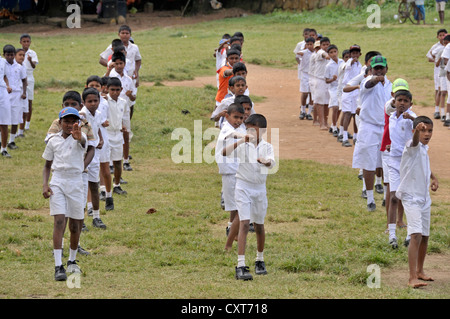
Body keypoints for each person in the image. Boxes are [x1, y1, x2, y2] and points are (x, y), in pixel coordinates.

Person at [222, 114, 276, 281]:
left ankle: (259, 260)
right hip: (243, 186)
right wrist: (241, 141)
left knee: (259, 225)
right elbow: (225, 152)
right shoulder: (244, 145)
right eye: (248, 129)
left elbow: (271, 163)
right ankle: (241, 265)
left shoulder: (267, 147)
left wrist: (265, 162)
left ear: (263, 130)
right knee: (244, 222)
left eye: (254, 129)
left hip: (259, 189)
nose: (250, 132)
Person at [42, 107, 87, 281]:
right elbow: (47, 165)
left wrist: (79, 137)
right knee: (59, 220)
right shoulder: (53, 140)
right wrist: (45, 185)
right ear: (59, 123)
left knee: (75, 225)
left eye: (73, 121)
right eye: (66, 121)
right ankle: (58, 265)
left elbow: (83, 143)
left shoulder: (80, 137)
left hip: (76, 181)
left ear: (78, 123)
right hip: (58, 181)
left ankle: (72, 260)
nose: (70, 125)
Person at [395, 116, 438, 288]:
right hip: (411, 197)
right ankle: (412, 277)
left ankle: (420, 271)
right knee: (416, 235)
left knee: (425, 236)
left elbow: (423, 164)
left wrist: (433, 177)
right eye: (423, 131)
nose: (427, 134)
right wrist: (416, 132)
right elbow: (414, 143)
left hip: (424, 198)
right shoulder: (411, 146)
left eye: (430, 131)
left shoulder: (424, 149)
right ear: (415, 132)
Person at [352, 56, 392, 212]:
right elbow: (369, 84)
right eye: (376, 68)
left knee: (387, 162)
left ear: (387, 68)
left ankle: (385, 197)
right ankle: (369, 198)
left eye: (382, 68)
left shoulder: (391, 86)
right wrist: (375, 79)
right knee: (368, 163)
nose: (379, 70)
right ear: (371, 69)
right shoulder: (366, 82)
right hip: (368, 127)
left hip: (386, 127)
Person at [215, 103, 246, 252]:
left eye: (241, 118)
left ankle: (233, 233)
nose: (238, 120)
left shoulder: (238, 128)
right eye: (235, 117)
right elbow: (232, 136)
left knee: (237, 206)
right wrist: (245, 137)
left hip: (237, 171)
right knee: (238, 207)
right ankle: (232, 236)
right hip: (230, 172)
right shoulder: (227, 129)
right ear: (227, 116)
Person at [387, 88, 416, 249]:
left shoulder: (411, 118)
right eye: (400, 100)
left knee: (407, 197)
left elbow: (421, 124)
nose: (402, 103)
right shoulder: (392, 117)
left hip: (408, 162)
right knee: (393, 197)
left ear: (410, 104)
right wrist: (393, 146)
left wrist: (410, 117)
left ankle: (409, 234)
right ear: (395, 102)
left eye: (406, 101)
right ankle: (392, 235)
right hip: (393, 161)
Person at [86, 76, 114, 211]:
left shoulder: (104, 102)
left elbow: (104, 120)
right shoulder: (85, 104)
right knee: (90, 175)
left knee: (105, 170)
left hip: (102, 139)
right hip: (90, 142)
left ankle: (109, 195)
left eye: (97, 86)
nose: (94, 88)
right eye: (91, 85)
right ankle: (90, 205)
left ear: (101, 87)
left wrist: (104, 125)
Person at [81, 87, 107, 229]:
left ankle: (96, 217)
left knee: (94, 186)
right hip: (84, 155)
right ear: (83, 102)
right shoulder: (82, 115)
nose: (93, 103)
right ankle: (81, 220)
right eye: (89, 101)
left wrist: (100, 139)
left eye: (95, 100)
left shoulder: (98, 113)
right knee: (83, 189)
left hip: (95, 155)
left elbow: (96, 129)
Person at [106, 51, 136, 172]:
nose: (119, 66)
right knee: (112, 133)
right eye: (116, 63)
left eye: (121, 63)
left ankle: (126, 160)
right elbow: (103, 86)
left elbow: (133, 97)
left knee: (125, 134)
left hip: (124, 109)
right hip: (112, 108)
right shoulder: (110, 75)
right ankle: (111, 162)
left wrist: (130, 96)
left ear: (124, 63)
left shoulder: (128, 79)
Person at [105, 77, 128, 195]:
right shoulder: (104, 101)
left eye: (117, 90)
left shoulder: (123, 102)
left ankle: (117, 185)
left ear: (121, 89)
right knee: (105, 163)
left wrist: (123, 126)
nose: (115, 92)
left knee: (118, 162)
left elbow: (120, 117)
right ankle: (104, 188)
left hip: (118, 134)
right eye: (112, 90)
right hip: (107, 134)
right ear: (107, 89)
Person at [3, 45, 27, 152]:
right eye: (7, 55)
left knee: (15, 118)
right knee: (3, 118)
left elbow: (24, 80)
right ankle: (1, 140)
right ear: (4, 55)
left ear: (14, 55)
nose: (9, 57)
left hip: (17, 94)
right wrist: (7, 86)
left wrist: (24, 92)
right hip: (5, 94)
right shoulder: (2, 65)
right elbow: (3, 77)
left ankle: (11, 140)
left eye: (11, 55)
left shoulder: (19, 67)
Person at [339, 45, 362, 146]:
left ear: (360, 54)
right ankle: (344, 137)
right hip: (348, 90)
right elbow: (348, 65)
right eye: (353, 53)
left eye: (357, 53)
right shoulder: (349, 62)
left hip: (356, 92)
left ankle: (356, 137)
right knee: (347, 113)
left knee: (355, 115)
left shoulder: (360, 65)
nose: (355, 55)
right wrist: (351, 60)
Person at [426, 29, 447, 119]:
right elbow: (429, 58)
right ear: (437, 37)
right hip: (438, 71)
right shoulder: (435, 47)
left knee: (445, 90)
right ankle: (437, 110)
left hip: (447, 70)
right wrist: (438, 59)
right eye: (440, 35)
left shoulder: (448, 45)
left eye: (444, 35)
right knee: (438, 90)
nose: (442, 37)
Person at [19, 34, 38, 131]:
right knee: (19, 102)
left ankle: (27, 124)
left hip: (29, 78)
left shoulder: (32, 53)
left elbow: (34, 66)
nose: (26, 43)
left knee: (29, 101)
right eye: (24, 41)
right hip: (18, 79)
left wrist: (30, 61)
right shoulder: (18, 52)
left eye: (27, 41)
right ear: (20, 42)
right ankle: (19, 124)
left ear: (30, 42)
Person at [312, 37, 331, 130]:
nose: (326, 46)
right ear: (320, 46)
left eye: (327, 45)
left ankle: (326, 121)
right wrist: (332, 56)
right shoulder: (320, 52)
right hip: (319, 80)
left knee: (327, 102)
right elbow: (325, 55)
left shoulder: (329, 54)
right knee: (320, 102)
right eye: (324, 45)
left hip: (328, 80)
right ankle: (321, 122)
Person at [297, 37, 315, 120]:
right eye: (308, 44)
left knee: (312, 94)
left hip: (313, 75)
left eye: (311, 44)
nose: (309, 46)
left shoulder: (316, 53)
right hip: (305, 74)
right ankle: (303, 110)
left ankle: (309, 112)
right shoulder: (304, 52)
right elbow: (298, 54)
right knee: (305, 93)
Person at [325, 44, 341, 135]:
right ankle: (335, 126)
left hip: (341, 87)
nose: (333, 54)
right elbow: (326, 80)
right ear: (328, 54)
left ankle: (333, 125)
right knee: (335, 107)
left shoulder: (342, 62)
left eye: (335, 52)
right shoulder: (328, 66)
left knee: (339, 108)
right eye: (331, 53)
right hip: (333, 88)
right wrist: (332, 79)